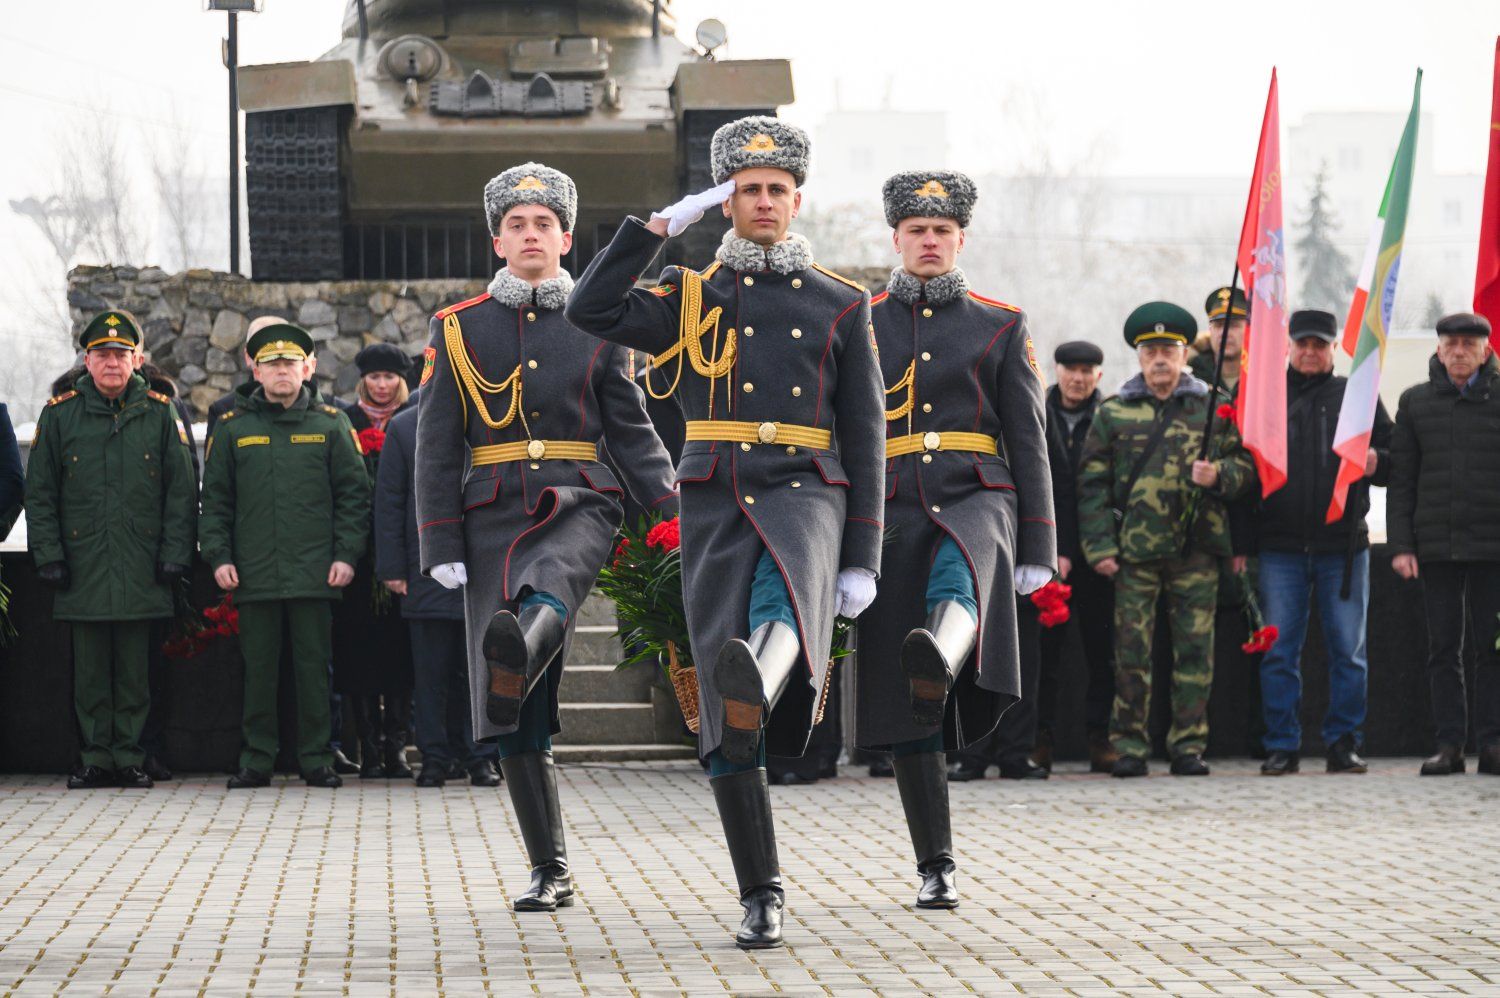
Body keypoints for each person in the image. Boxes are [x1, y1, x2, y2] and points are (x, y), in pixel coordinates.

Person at [568, 118, 884, 948]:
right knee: (721, 710)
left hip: (807, 489)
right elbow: (590, 307)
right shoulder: (688, 294)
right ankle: (761, 890)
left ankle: (762, 676)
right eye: (748, 190)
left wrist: (863, 554)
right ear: (726, 203)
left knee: (782, 606)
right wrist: (654, 231)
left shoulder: (841, 301)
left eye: (777, 189)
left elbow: (866, 436)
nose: (764, 201)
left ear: (797, 200)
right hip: (715, 497)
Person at [417, 162, 678, 910]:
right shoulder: (457, 327)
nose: (531, 235)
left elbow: (631, 429)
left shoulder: (598, 321)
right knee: (517, 712)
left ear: (566, 239)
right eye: (516, 225)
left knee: (552, 582)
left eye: (544, 224)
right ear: (497, 241)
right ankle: (550, 869)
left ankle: (518, 646)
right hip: (489, 514)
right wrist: (439, 543)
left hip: (578, 500)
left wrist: (672, 514)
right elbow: (438, 443)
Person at [858, 170, 1053, 906]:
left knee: (959, 574)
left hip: (978, 492)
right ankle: (934, 863)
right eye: (918, 230)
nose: (930, 241)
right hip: (890, 505)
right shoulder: (859, 322)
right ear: (897, 239)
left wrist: (1038, 543)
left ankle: (943, 649)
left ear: (961, 239)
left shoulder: (1000, 323)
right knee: (911, 704)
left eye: (942, 231)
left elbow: (1028, 438)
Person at [1076, 302, 1256, 777]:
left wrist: (1220, 474)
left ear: (1183, 355)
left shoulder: (1213, 408)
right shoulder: (1114, 412)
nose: (1160, 360)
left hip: (1196, 551)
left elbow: (1247, 467)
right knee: (1131, 654)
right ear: (1139, 357)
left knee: (1195, 652)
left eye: (1168, 351)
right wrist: (1100, 548)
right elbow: (1091, 486)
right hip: (1133, 555)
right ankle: (1130, 746)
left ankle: (1188, 746)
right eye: (1151, 351)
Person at [24, 310, 197, 789]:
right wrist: (48, 556)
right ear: (87, 361)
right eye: (102, 355)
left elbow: (181, 493)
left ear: (138, 360)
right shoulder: (60, 415)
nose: (112, 363)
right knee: (91, 674)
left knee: (135, 673)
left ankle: (130, 757)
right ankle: (96, 757)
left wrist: (175, 554)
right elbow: (40, 494)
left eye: (121, 355)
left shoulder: (160, 413)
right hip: (83, 566)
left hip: (142, 565)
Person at [200, 321, 370, 789]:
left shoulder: (331, 425)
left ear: (307, 369)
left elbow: (354, 498)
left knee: (313, 672)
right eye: (272, 364)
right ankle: (257, 760)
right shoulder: (234, 428)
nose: (281, 371)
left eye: (290, 363)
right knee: (258, 673)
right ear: (255, 371)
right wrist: (219, 557)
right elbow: (215, 502)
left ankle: (316, 759)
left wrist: (346, 556)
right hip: (254, 574)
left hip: (317, 574)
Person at [1254, 310, 1390, 776]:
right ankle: (1281, 745)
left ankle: (1344, 744)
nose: (1310, 352)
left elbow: (1396, 457)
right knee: (1278, 653)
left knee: (1349, 652)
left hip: (1343, 549)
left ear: (1335, 348)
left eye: (1319, 344)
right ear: (1289, 347)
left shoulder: (1358, 396)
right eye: (1302, 344)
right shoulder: (1265, 397)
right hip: (1279, 548)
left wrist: (1378, 460)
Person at [1389, 312, 1500, 776]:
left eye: (1468, 345)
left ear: (1486, 351)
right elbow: (1402, 481)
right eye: (1451, 344)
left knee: (1492, 649)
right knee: (1443, 649)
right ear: (1438, 349)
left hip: (1493, 548)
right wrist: (1401, 545)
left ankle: (1493, 744)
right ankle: (1449, 745)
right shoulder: (1415, 402)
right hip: (1435, 547)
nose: (1459, 352)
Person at [375, 391, 501, 787]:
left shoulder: (493, 416)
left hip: (483, 569)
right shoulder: (403, 426)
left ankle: (480, 757)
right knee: (430, 677)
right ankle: (434, 757)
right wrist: (393, 568)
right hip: (425, 570)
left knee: (479, 674)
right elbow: (390, 501)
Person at [333, 342, 416, 779]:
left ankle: (397, 747)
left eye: (389, 377)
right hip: (358, 560)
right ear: (363, 380)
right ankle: (367, 746)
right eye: (374, 377)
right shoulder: (345, 421)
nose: (382, 386)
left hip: (404, 556)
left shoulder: (414, 418)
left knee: (401, 656)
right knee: (359, 654)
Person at [1035, 340, 1116, 774]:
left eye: (1087, 371)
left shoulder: (1111, 416)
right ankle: (1040, 738)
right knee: (1045, 656)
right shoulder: (1035, 412)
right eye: (1071, 370)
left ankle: (1100, 737)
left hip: (1098, 558)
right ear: (1058, 371)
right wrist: (1052, 549)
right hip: (1049, 556)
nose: (1078, 379)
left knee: (1101, 653)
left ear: (1098, 376)